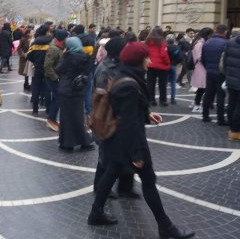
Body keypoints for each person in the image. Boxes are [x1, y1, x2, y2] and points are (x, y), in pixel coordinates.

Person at [88, 42, 195, 239]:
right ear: (138, 60)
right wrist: (137, 155)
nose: (150, 60)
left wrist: (146, 115)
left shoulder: (124, 75)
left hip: (116, 141)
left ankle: (95, 213)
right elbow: (129, 124)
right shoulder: (130, 83)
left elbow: (126, 110)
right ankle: (166, 228)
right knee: (148, 181)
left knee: (110, 174)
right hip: (128, 142)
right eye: (146, 57)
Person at [92, 37, 140, 199]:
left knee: (125, 153)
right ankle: (99, 186)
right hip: (109, 118)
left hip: (121, 116)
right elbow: (101, 97)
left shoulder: (119, 65)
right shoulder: (104, 69)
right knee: (106, 155)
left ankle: (125, 187)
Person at [54, 36, 94, 151]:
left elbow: (58, 69)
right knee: (78, 117)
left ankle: (67, 143)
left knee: (66, 117)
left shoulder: (68, 57)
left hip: (66, 90)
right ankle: (84, 142)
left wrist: (64, 55)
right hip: (79, 89)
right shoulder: (85, 57)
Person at [201, 24, 228, 125]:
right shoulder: (226, 43)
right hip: (221, 73)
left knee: (208, 93)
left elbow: (203, 59)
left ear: (216, 31)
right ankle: (220, 119)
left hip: (209, 71)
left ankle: (205, 115)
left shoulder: (207, 42)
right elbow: (226, 60)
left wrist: (207, 68)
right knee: (221, 96)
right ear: (225, 32)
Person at [44, 29, 69, 132]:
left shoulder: (59, 47)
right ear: (62, 38)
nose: (67, 39)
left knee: (56, 98)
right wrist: (56, 78)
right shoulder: (53, 48)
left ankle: (52, 119)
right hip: (52, 78)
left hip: (56, 77)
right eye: (66, 37)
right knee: (57, 98)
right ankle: (51, 119)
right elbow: (47, 66)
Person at [26, 25, 52, 117]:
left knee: (36, 89)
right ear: (46, 32)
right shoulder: (51, 41)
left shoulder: (35, 42)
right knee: (47, 89)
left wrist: (36, 62)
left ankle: (35, 110)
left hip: (37, 68)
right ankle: (48, 109)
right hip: (48, 69)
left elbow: (28, 55)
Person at [190, 27, 214, 113]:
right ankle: (196, 105)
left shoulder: (198, 41)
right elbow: (200, 56)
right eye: (211, 35)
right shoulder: (200, 43)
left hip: (199, 67)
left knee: (201, 87)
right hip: (201, 67)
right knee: (202, 88)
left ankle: (195, 103)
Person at [145, 27, 170, 106]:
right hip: (161, 66)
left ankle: (151, 100)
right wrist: (168, 62)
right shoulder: (162, 41)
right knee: (162, 84)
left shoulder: (147, 41)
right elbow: (163, 54)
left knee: (150, 83)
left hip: (150, 65)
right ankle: (163, 101)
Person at [222, 28, 240, 141]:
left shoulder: (230, 42)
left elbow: (224, 61)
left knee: (232, 104)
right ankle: (236, 131)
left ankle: (232, 128)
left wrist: (227, 75)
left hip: (231, 78)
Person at [166, 34, 183, 104]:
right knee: (173, 82)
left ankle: (163, 98)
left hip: (165, 66)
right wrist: (176, 62)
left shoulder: (165, 47)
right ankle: (172, 98)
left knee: (164, 83)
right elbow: (179, 57)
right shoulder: (176, 47)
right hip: (173, 65)